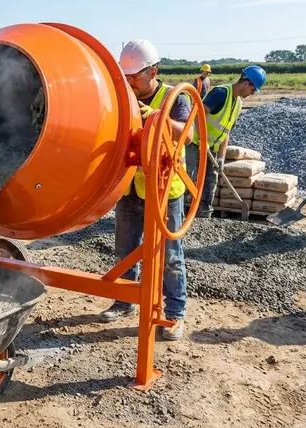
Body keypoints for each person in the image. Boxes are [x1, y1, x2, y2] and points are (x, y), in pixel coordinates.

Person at [99, 40, 194, 341]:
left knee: (170, 255)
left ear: (153, 71)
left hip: (165, 189)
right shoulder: (121, 98)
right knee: (125, 249)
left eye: (135, 77)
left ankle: (175, 314)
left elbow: (188, 134)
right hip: (129, 187)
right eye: (124, 77)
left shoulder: (173, 98)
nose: (129, 83)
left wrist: (154, 115)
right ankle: (125, 300)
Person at [186, 65, 266, 218]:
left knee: (210, 182)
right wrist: (203, 141)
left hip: (213, 149)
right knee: (188, 178)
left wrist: (221, 157)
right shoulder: (221, 93)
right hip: (195, 144)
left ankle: (204, 215)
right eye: (252, 90)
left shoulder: (238, 104)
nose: (252, 94)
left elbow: (226, 132)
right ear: (246, 83)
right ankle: (179, 214)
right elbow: (197, 113)